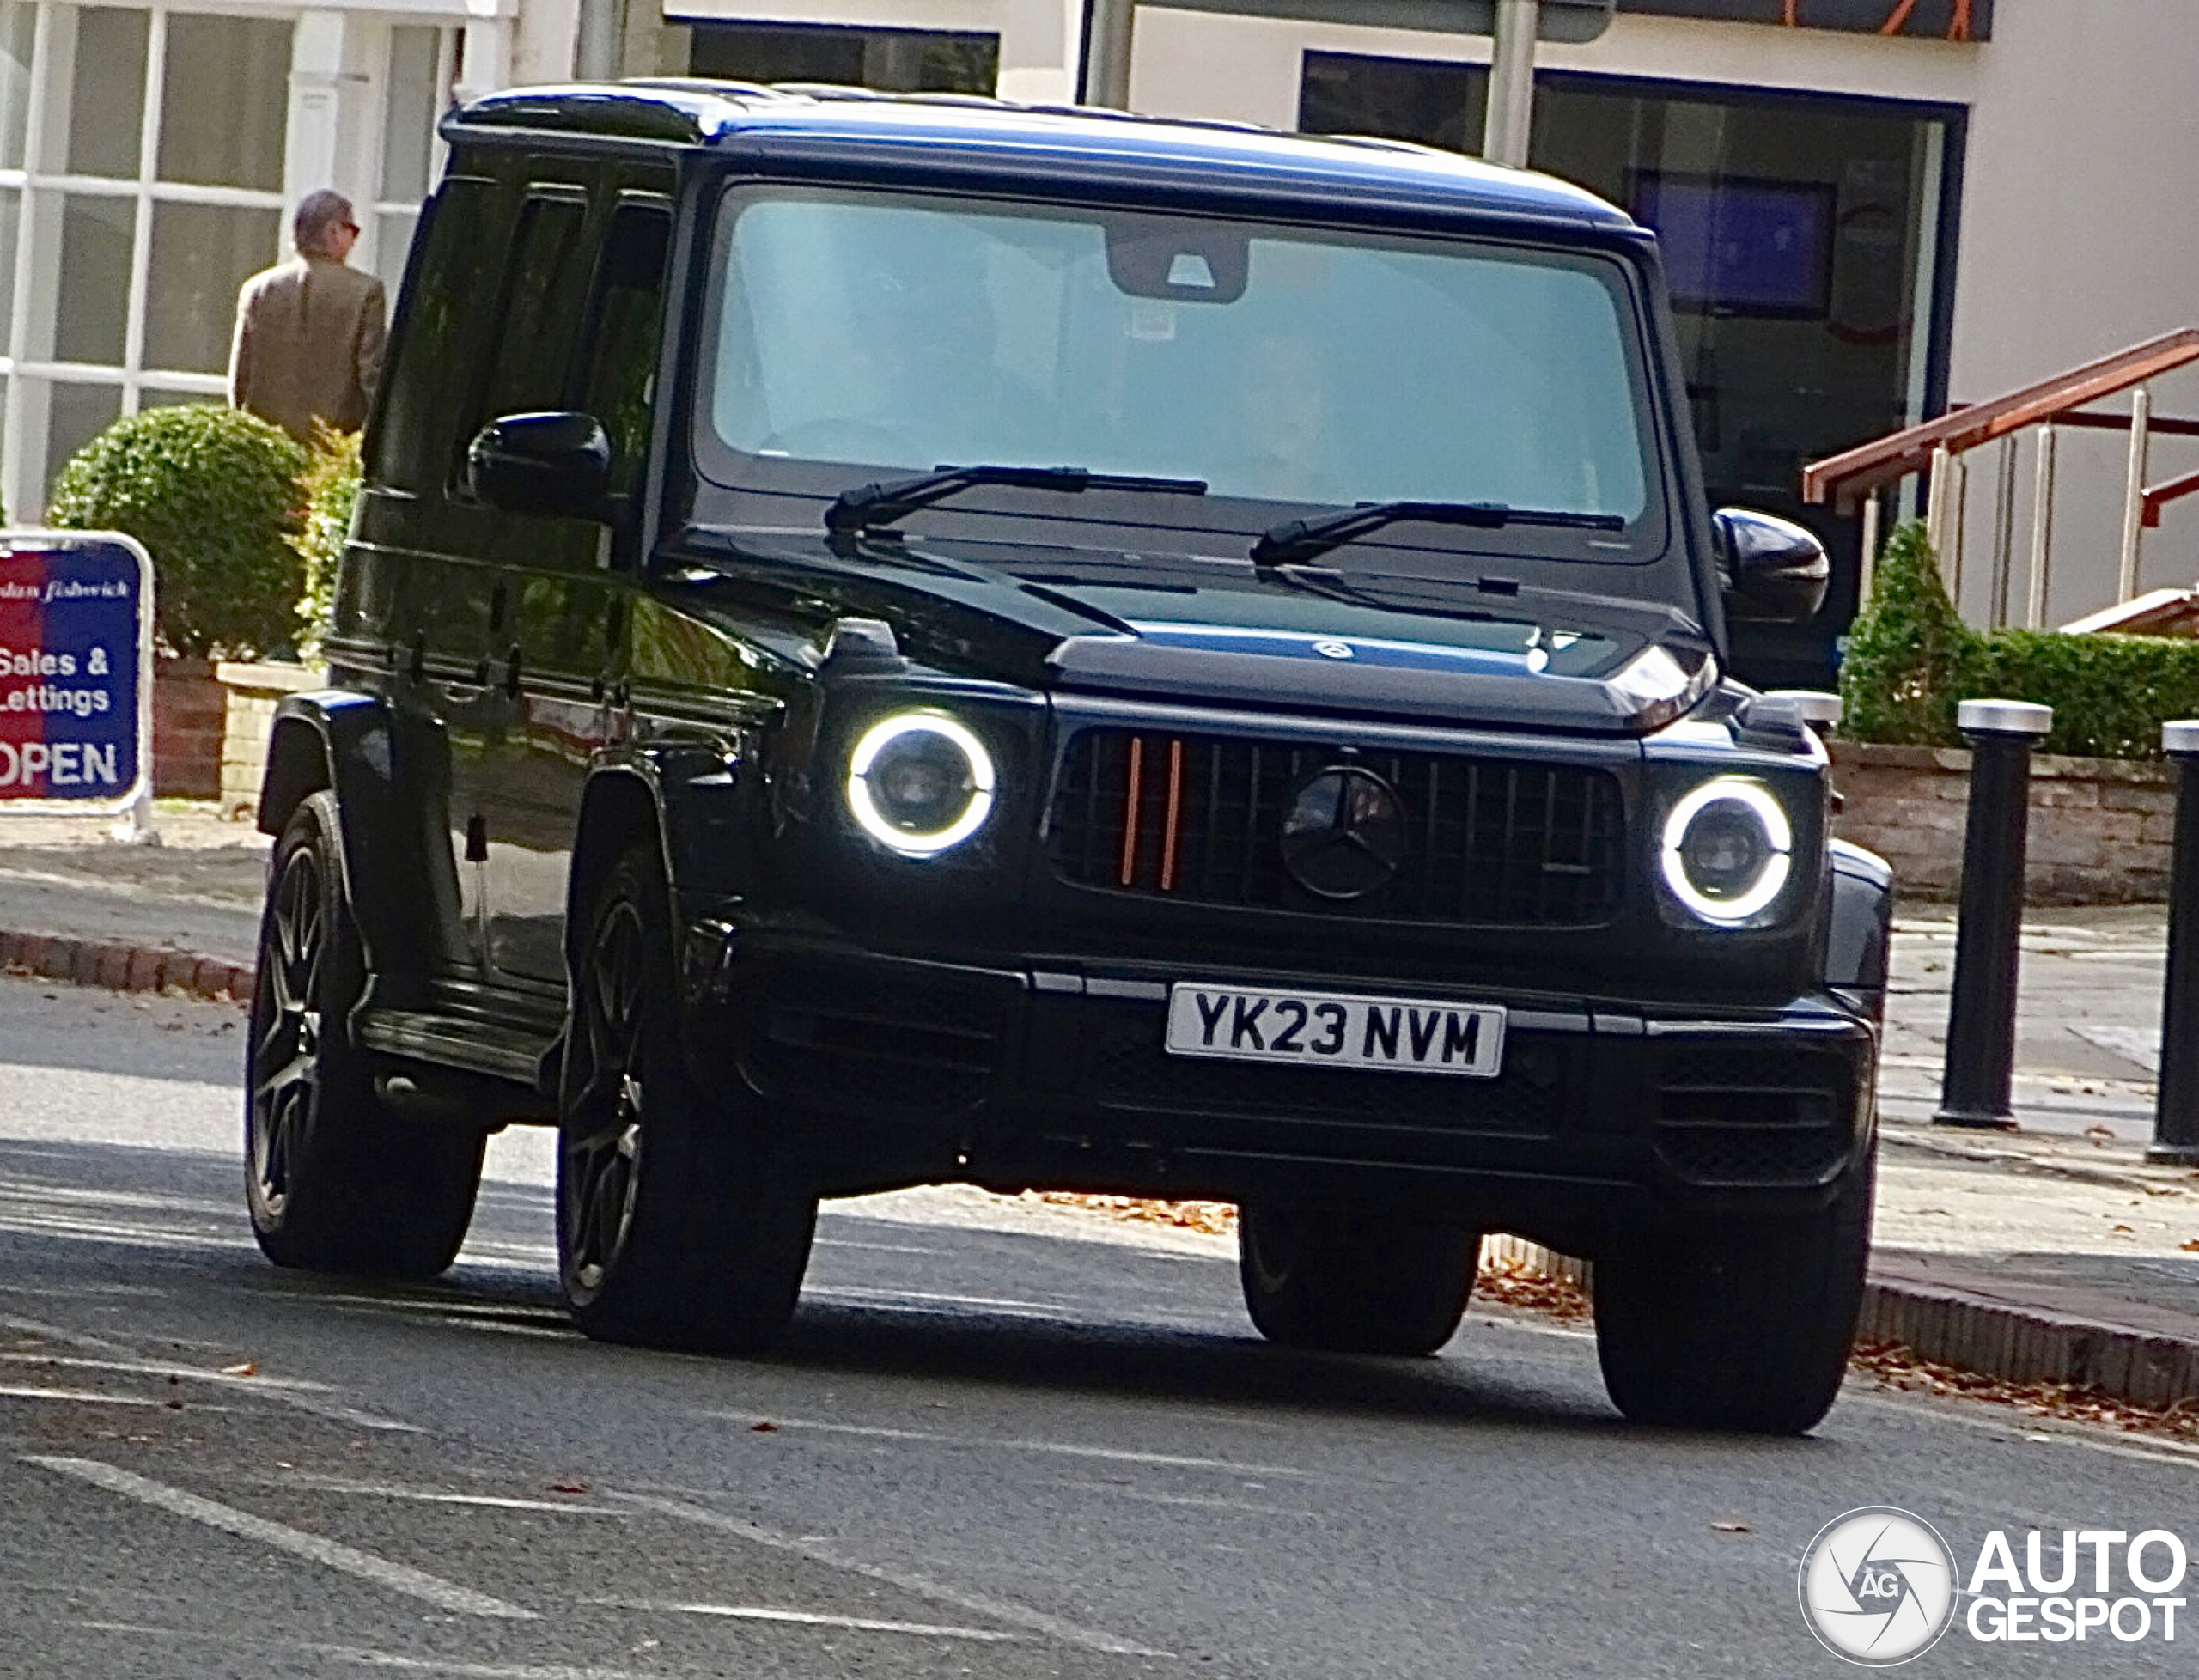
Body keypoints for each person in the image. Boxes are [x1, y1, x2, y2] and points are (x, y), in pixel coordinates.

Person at [228, 190, 387, 444]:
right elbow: (372, 376)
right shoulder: (366, 292)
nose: (355, 239)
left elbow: (240, 379)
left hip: (268, 448)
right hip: (332, 449)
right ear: (334, 232)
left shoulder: (257, 289)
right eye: (352, 230)